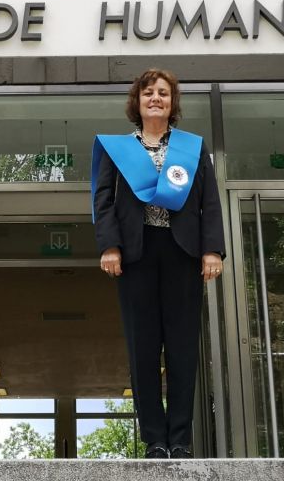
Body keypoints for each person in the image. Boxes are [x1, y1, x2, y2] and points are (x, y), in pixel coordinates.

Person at [91, 68, 225, 460]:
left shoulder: (192, 147)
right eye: (148, 92)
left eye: (163, 93)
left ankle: (180, 439)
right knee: (143, 347)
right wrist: (109, 246)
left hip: (182, 252)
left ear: (172, 103)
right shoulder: (118, 149)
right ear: (137, 101)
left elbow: (210, 201)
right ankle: (155, 439)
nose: (155, 98)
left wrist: (212, 249)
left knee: (183, 348)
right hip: (135, 254)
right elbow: (103, 201)